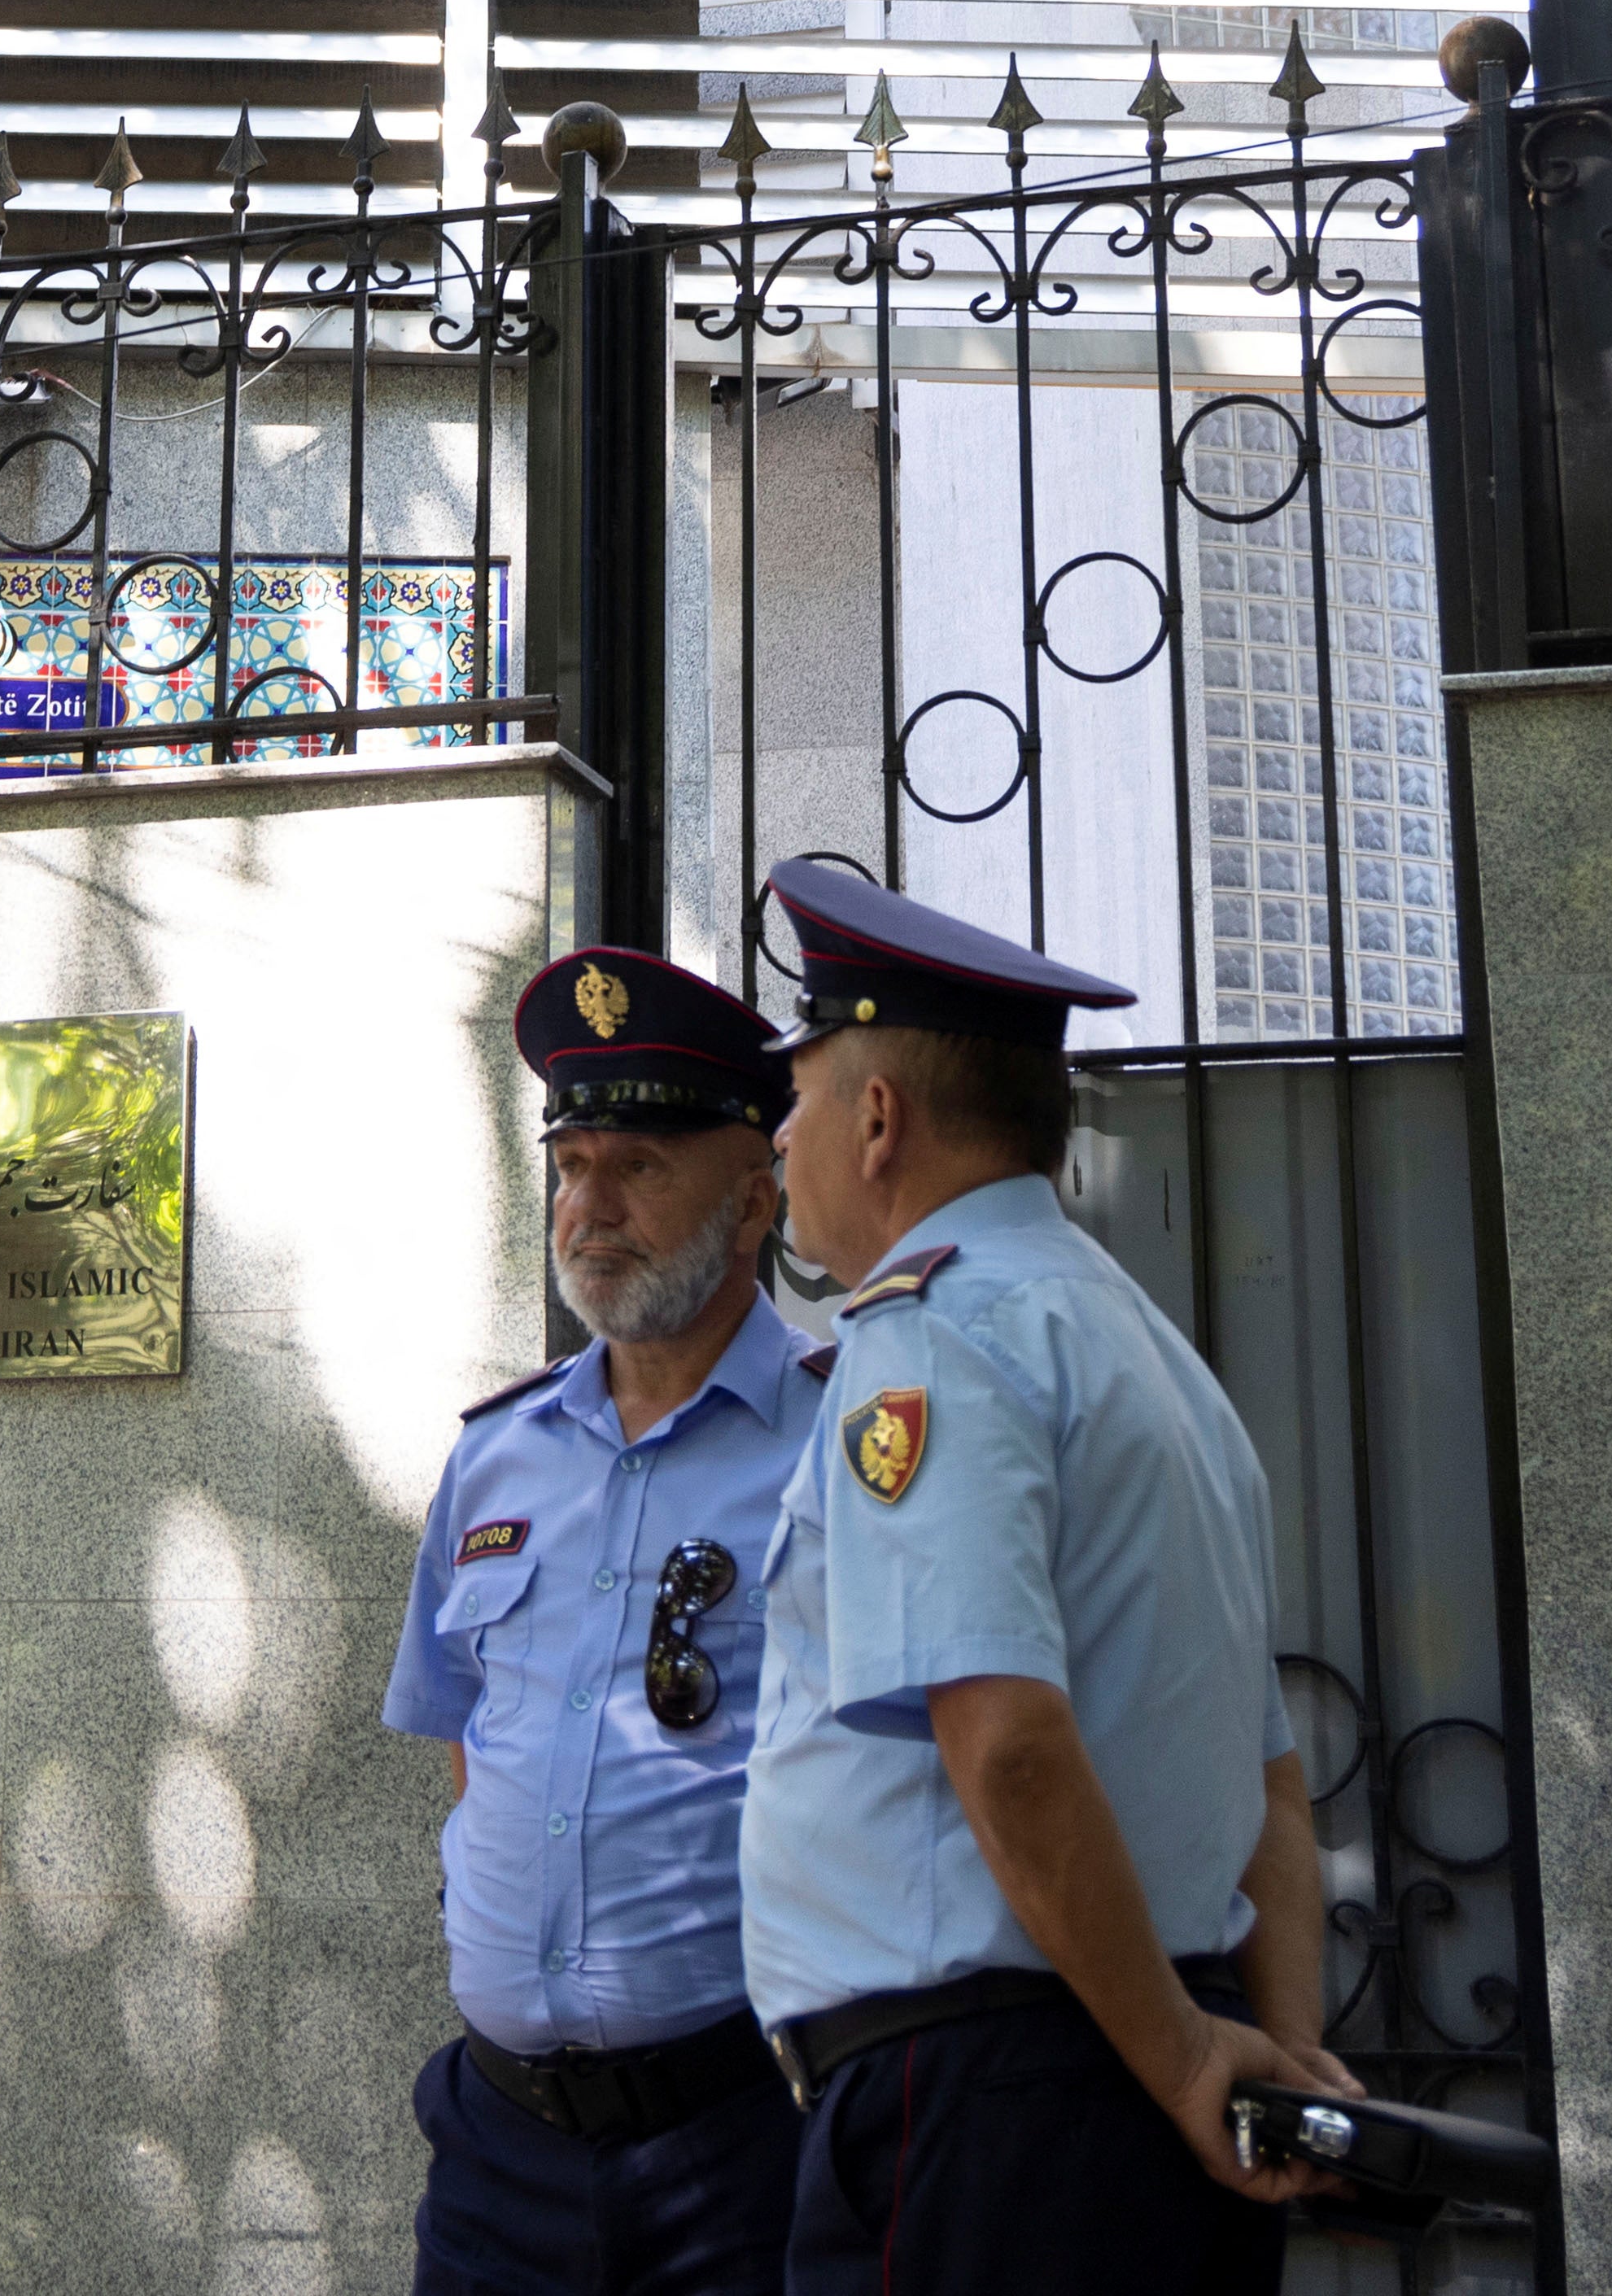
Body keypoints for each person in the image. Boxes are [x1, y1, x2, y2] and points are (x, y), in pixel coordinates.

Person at [736, 859, 1364, 2294]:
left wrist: (1200, 2057)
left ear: (878, 1118)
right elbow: (1269, 1783)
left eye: (804, 1092)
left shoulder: (934, 1337)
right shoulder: (1156, 1356)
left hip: (990, 2110)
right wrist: (1266, 2056)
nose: (779, 1136)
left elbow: (1009, 1743)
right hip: (1142, 2081)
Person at [379, 945, 828, 2296]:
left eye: (640, 1164)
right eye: (573, 1164)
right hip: (500, 2146)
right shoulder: (495, 1456)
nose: (592, 1205)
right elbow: (474, 1729)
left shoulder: (844, 1433)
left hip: (746, 2138)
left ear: (753, 1199)